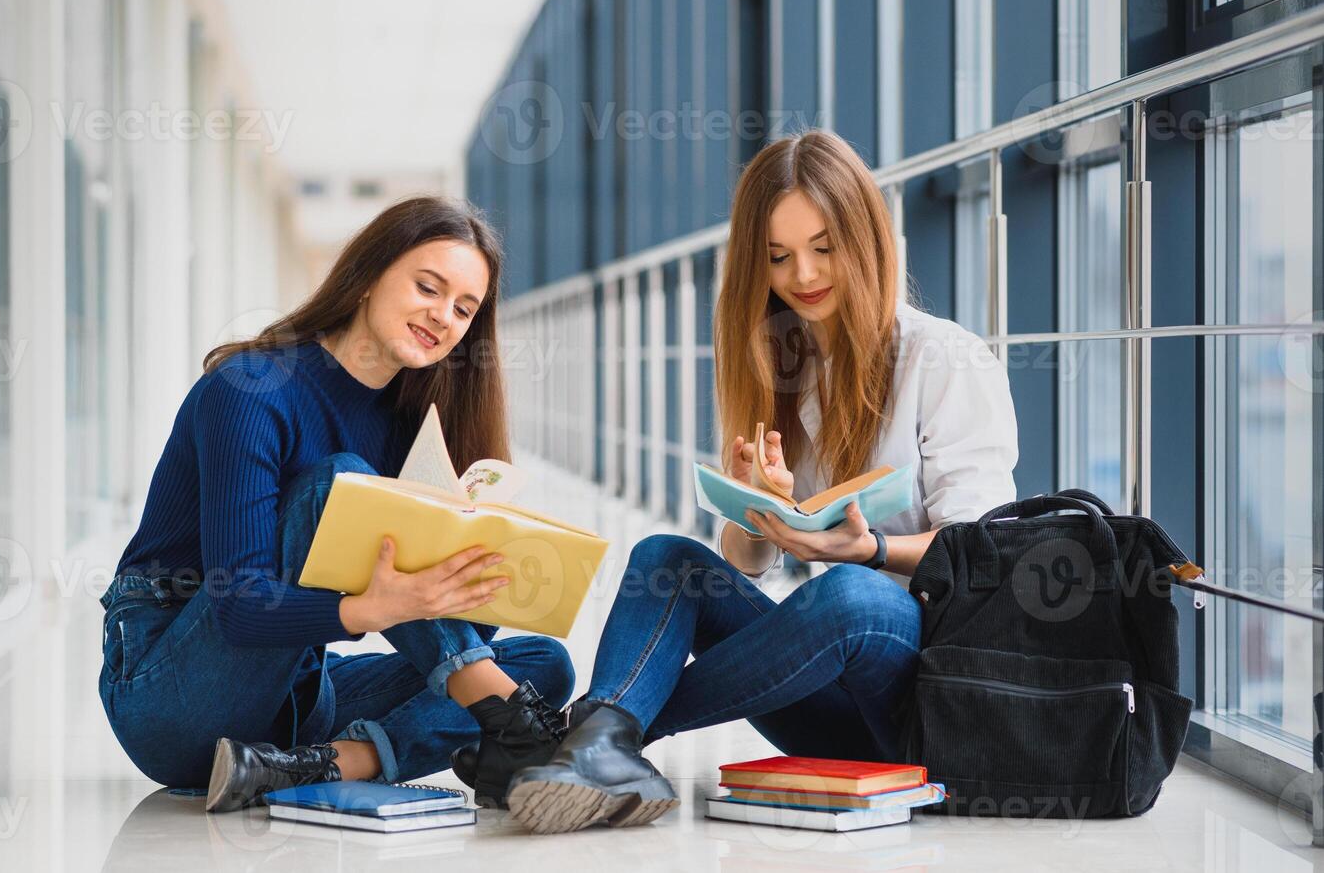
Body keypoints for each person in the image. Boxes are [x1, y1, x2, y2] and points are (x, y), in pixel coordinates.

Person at [503, 131, 1019, 834]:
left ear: (865, 238)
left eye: (823, 246)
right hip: (821, 704)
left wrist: (866, 552)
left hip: (926, 702)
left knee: (849, 595)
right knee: (667, 559)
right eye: (778, 257)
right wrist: (758, 513)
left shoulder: (944, 360)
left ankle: (591, 736)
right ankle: (603, 738)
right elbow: (752, 563)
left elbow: (983, 556)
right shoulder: (786, 366)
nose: (802, 273)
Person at [97, 197, 574, 813]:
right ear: (370, 274)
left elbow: (458, 639)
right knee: (344, 481)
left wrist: (462, 567)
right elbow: (240, 608)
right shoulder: (250, 390)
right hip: (174, 695)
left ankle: (312, 766)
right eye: (428, 287)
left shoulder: (412, 427)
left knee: (544, 666)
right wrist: (373, 608)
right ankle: (518, 728)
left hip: (294, 701)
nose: (443, 316)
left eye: (464, 308)